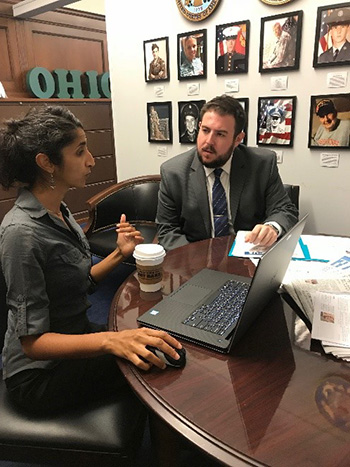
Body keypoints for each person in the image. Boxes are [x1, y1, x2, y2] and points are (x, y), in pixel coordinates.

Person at [0, 106, 182, 414]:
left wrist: (119, 253)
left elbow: (79, 282)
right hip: (41, 375)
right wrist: (111, 341)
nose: (91, 161)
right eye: (80, 151)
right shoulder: (22, 234)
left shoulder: (60, 212)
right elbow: (32, 344)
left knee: (165, 337)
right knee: (160, 359)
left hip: (76, 334)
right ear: (47, 163)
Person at [156, 94, 298, 252]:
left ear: (238, 139)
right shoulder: (173, 172)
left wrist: (272, 228)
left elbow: (285, 210)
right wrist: (198, 261)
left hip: (247, 260)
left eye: (220, 134)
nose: (208, 141)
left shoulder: (262, 165)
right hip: (196, 260)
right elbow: (167, 232)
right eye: (205, 130)